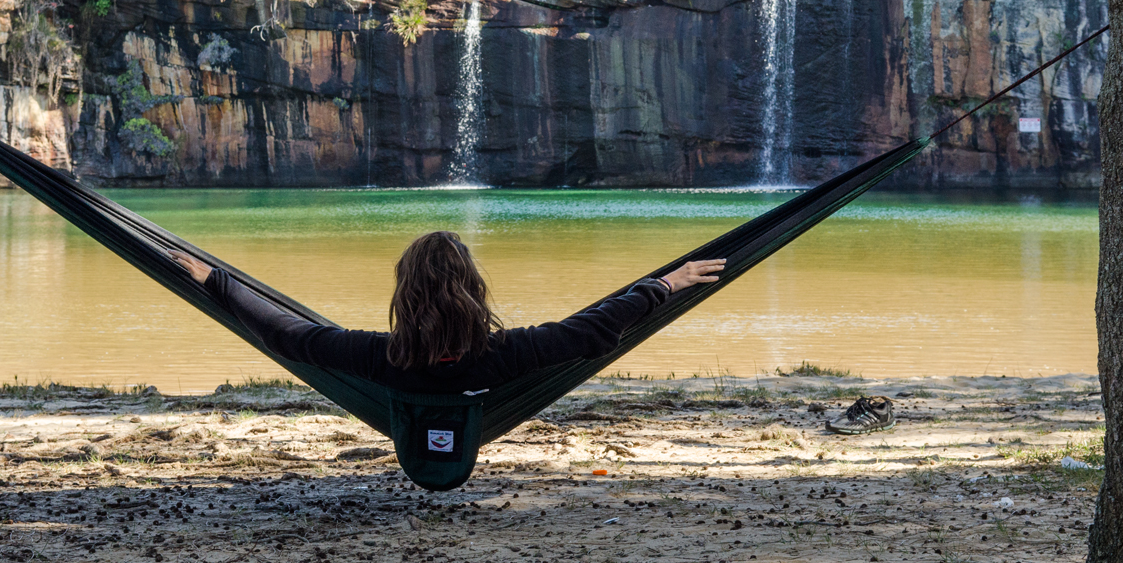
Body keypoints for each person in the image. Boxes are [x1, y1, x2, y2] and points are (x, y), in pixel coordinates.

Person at [172, 232, 724, 393]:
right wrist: (664, 284)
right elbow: (595, 327)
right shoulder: (507, 355)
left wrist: (217, 281)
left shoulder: (378, 359)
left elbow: (286, 333)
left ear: (403, 293)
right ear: (474, 290)